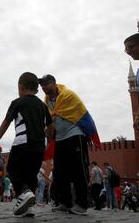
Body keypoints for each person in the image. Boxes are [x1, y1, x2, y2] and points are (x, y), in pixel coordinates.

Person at [0, 72, 53, 217]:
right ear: (36, 88)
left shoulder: (18, 102)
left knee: (13, 168)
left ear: (20, 87)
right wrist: (48, 141)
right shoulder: (43, 106)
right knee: (30, 175)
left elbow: (6, 122)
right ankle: (29, 207)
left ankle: (24, 193)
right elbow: (50, 126)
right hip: (39, 147)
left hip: (22, 142)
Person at [40, 74, 100, 215]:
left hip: (75, 135)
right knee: (60, 172)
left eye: (46, 84)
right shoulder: (46, 101)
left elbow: (81, 113)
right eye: (41, 85)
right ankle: (65, 202)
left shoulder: (68, 95)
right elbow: (50, 120)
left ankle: (82, 204)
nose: (43, 87)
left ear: (54, 83)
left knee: (78, 169)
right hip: (60, 138)